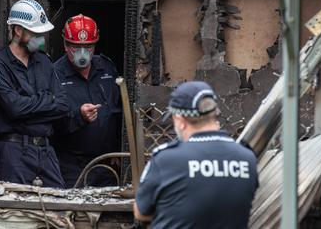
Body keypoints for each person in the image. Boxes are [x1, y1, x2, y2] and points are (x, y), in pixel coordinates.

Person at [0, 0, 98, 188]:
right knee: (14, 211)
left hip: (45, 151)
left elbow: (62, 105)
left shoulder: (43, 62)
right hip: (12, 151)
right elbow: (15, 108)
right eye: (35, 33)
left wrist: (29, 105)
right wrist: (47, 102)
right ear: (18, 30)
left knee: (59, 207)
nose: (41, 38)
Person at [134, 81, 259, 229]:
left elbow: (141, 213)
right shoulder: (247, 158)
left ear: (180, 121)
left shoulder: (165, 160)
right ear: (214, 114)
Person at [52, 14, 122, 187]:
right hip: (71, 166)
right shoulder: (54, 74)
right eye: (76, 47)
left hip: (107, 163)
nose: (83, 53)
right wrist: (79, 116)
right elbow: (50, 122)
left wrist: (119, 148)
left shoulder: (106, 67)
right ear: (65, 45)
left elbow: (119, 110)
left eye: (88, 46)